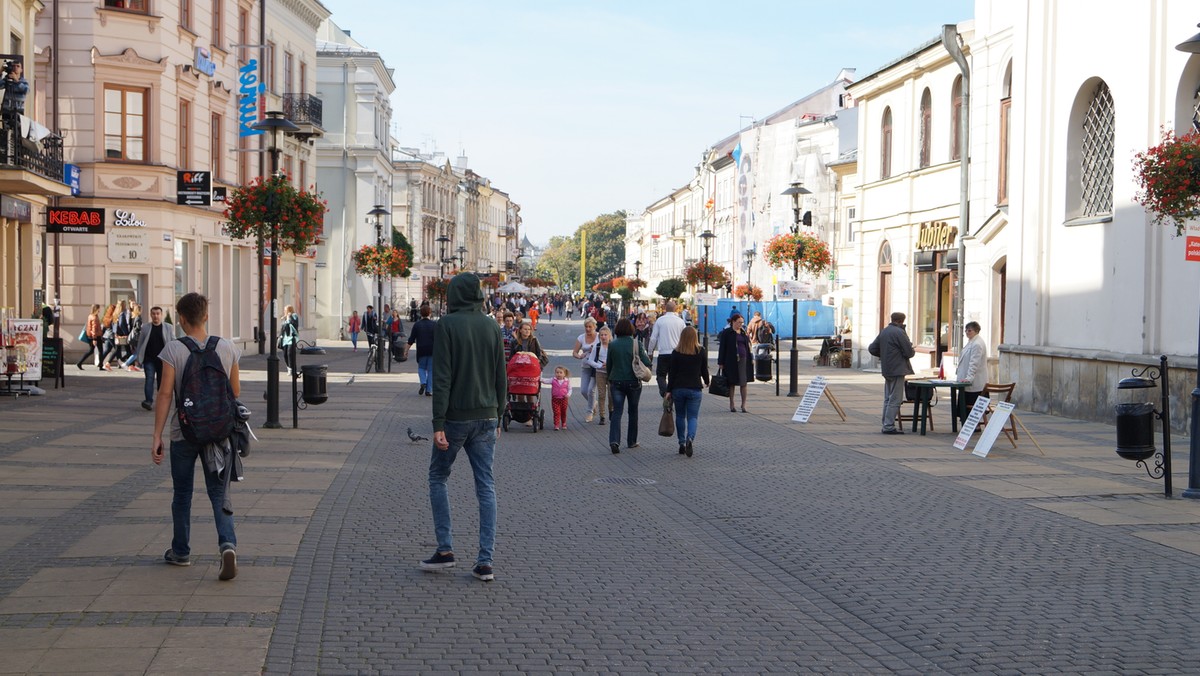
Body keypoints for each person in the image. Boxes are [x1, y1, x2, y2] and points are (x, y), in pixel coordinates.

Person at [422, 272, 506, 582]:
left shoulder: (447, 324)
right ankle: (485, 561)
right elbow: (501, 374)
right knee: (486, 485)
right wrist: (500, 412)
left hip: (456, 417)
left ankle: (445, 549)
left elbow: (441, 376)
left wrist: (438, 422)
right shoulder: (491, 325)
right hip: (487, 417)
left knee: (437, 477)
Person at [151, 292, 242, 579]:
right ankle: (227, 544)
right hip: (218, 433)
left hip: (184, 433)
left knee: (182, 494)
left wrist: (156, 435)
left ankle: (181, 551)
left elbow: (165, 394)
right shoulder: (227, 347)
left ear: (180, 319)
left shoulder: (173, 351)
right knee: (218, 493)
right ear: (206, 316)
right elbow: (235, 392)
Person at [605, 318, 651, 455]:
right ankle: (631, 441)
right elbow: (646, 361)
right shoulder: (636, 344)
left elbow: (609, 365)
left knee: (617, 412)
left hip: (616, 382)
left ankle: (614, 441)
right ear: (631, 329)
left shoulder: (612, 344)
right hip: (633, 382)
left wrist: (610, 379)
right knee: (633, 411)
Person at [868, 311, 916, 435]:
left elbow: (872, 348)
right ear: (901, 321)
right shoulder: (899, 332)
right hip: (897, 369)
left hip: (887, 368)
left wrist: (884, 355)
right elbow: (909, 352)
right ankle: (888, 426)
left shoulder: (885, 331)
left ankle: (885, 423)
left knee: (887, 398)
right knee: (895, 398)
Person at [666, 326, 710, 458]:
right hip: (695, 388)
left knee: (680, 416)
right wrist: (707, 381)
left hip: (678, 389)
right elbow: (704, 370)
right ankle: (690, 438)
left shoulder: (676, 352)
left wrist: (668, 390)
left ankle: (681, 443)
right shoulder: (700, 351)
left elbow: (672, 373)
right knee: (692, 417)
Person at [134, 306, 172, 411]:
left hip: (163, 360)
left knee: (161, 381)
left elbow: (173, 342)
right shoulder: (145, 327)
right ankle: (148, 401)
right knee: (149, 379)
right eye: (153, 314)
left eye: (158, 314)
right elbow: (140, 343)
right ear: (151, 315)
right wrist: (138, 357)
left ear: (161, 315)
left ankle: (161, 401)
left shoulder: (168, 327)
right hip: (149, 359)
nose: (156, 316)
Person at [648, 300, 686, 398]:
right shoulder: (680, 321)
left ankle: (665, 393)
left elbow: (653, 338)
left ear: (665, 308)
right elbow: (685, 337)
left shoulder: (660, 320)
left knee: (661, 375)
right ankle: (673, 394)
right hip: (677, 353)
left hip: (663, 353)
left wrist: (650, 351)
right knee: (675, 376)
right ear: (676, 308)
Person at [716, 313, 752, 413]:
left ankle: (743, 404)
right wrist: (721, 362)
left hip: (743, 359)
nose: (740, 324)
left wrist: (750, 358)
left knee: (743, 382)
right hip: (730, 360)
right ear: (733, 322)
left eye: (742, 322)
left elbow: (747, 346)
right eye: (738, 322)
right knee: (731, 382)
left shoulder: (743, 332)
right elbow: (722, 348)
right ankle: (732, 403)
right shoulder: (727, 333)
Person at [955, 321, 988, 418]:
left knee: (972, 407)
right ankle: (968, 425)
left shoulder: (977, 344)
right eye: (966, 330)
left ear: (976, 331)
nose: (967, 332)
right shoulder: (972, 342)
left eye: (969, 330)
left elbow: (974, 363)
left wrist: (969, 378)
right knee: (966, 407)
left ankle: (974, 426)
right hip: (968, 381)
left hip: (974, 383)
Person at [571, 317, 601, 422]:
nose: (588, 329)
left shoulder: (599, 337)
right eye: (586, 327)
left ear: (594, 327)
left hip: (596, 367)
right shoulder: (581, 338)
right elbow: (574, 352)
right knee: (583, 390)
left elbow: (606, 346)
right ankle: (594, 403)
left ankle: (589, 412)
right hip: (585, 366)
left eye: (590, 327)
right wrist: (579, 356)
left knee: (590, 390)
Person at [584, 325, 612, 424]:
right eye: (601, 335)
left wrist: (608, 364)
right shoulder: (598, 346)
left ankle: (611, 410)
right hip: (600, 373)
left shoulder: (613, 346)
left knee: (611, 394)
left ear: (609, 336)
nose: (603, 337)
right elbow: (590, 360)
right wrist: (599, 365)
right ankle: (602, 416)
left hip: (611, 373)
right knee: (601, 394)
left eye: (605, 335)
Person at [408, 304, 437, 396]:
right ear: (430, 313)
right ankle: (429, 390)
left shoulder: (417, 325)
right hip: (432, 350)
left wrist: (406, 351)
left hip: (421, 350)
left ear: (420, 313)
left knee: (421, 368)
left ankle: (423, 382)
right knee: (431, 370)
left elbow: (411, 339)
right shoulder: (434, 325)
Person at [542, 365, 573, 430]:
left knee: (563, 412)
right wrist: (540, 379)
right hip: (555, 399)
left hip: (564, 399)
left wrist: (568, 394)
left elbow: (570, 389)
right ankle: (556, 424)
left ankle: (564, 423)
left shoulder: (567, 381)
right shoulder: (553, 380)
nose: (558, 374)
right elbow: (546, 381)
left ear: (564, 374)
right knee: (556, 412)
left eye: (560, 373)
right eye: (557, 372)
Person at [76, 303, 103, 369]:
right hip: (95, 336)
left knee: (91, 351)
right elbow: (94, 328)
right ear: (96, 309)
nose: (99, 310)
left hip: (91, 336)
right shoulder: (94, 317)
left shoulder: (90, 316)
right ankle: (100, 365)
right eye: (99, 309)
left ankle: (80, 363)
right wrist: (94, 339)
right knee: (100, 351)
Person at [279, 305, 299, 374]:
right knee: (285, 354)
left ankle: (292, 369)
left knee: (290, 353)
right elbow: (282, 328)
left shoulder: (294, 316)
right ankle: (289, 367)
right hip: (285, 338)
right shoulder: (284, 318)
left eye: (285, 310)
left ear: (289, 310)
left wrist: (289, 317)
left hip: (291, 338)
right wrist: (280, 336)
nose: (284, 311)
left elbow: (295, 324)